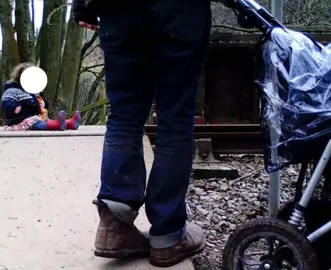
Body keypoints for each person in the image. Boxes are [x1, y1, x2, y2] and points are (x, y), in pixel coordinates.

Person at [73, 0, 230, 267]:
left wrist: (82, 5)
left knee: (123, 114)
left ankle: (114, 226)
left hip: (119, 10)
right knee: (175, 117)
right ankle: (169, 236)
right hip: (180, 10)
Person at [1, 62, 81, 131]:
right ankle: (57, 125)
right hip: (19, 121)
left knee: (45, 121)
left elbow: (38, 104)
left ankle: (70, 123)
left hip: (35, 118)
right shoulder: (12, 90)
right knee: (37, 124)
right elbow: (5, 102)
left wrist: (44, 104)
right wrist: (13, 108)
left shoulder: (32, 91)